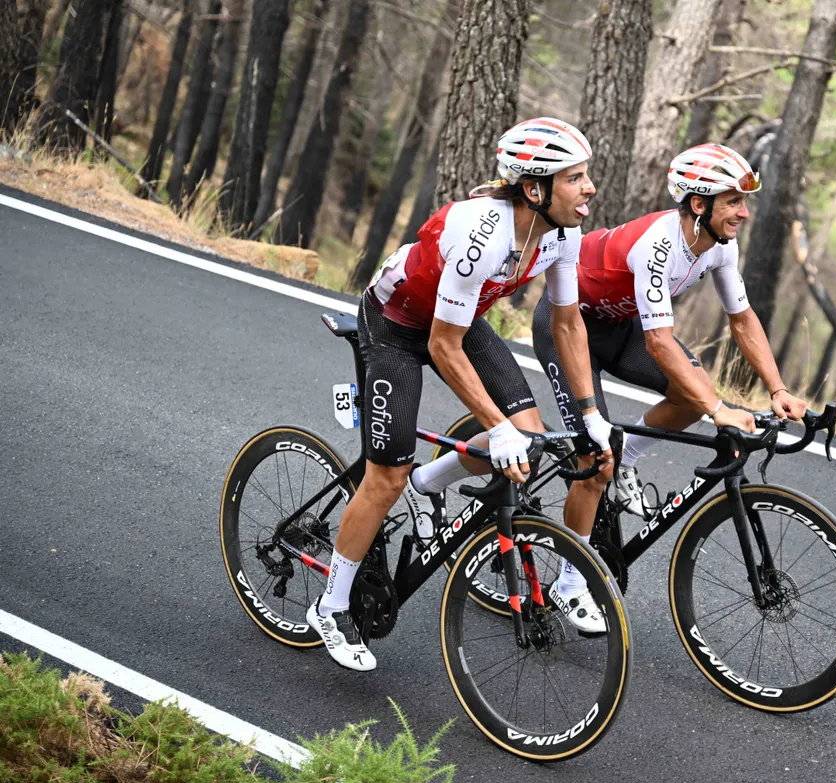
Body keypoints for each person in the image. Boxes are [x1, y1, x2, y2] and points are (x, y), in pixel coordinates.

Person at [307, 118, 615, 672]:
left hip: (457, 318)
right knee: (386, 477)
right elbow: (442, 348)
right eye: (576, 178)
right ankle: (331, 606)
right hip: (397, 325)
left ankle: (430, 482)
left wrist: (590, 411)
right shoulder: (484, 235)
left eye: (586, 175)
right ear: (535, 189)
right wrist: (493, 429)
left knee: (528, 435)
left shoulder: (562, 235)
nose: (589, 187)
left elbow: (568, 325)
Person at [532, 143, 809, 543]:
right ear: (699, 204)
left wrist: (777, 389)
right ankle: (570, 579)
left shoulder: (721, 247)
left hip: (618, 326)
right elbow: (660, 343)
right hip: (568, 327)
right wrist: (718, 412)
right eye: (733, 202)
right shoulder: (657, 246)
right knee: (595, 462)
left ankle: (627, 456)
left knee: (692, 394)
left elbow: (743, 319)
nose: (744, 213)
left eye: (744, 202)